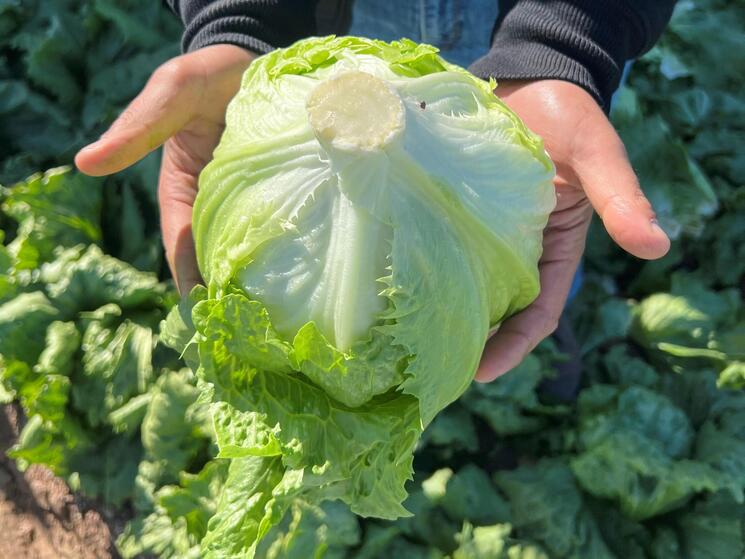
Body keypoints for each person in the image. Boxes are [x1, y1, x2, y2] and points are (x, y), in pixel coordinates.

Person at [75, 0, 674, 386]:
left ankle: (525, 308)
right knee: (498, 181)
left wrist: (564, 41)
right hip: (327, 24)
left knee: (537, 181)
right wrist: (242, 19)